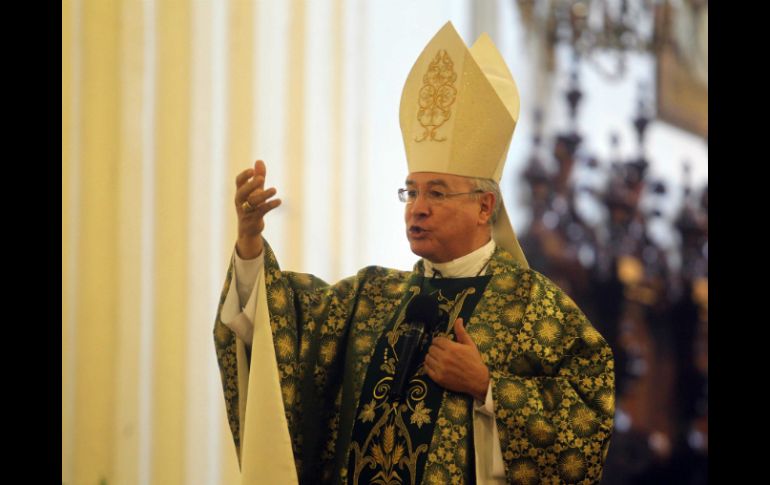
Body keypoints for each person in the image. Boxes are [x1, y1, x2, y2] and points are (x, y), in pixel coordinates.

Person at [214, 22, 614, 485]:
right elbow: (279, 328)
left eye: (438, 194)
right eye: (410, 192)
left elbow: (588, 428)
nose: (417, 209)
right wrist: (249, 242)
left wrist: (488, 388)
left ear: (484, 206)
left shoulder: (535, 307)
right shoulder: (372, 296)